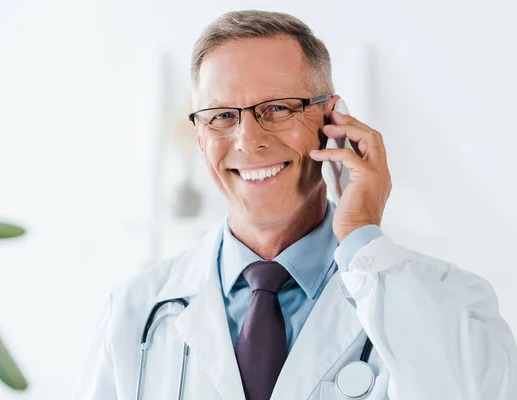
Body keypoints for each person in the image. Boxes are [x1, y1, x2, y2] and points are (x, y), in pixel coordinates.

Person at [75, 10, 517, 400]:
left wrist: (362, 233)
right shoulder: (135, 313)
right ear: (200, 136)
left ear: (333, 120)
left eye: (278, 108)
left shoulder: (447, 299)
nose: (249, 140)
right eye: (222, 115)